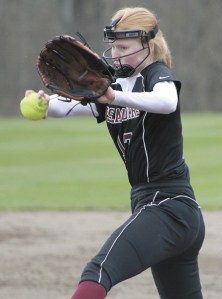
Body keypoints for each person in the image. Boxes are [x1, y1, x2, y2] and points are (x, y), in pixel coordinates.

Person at [26, 7, 205, 299]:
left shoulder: (155, 74)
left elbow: (168, 101)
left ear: (148, 46)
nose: (115, 53)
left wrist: (113, 97)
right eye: (113, 46)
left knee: (97, 273)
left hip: (168, 206)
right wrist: (45, 103)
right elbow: (70, 106)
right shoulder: (114, 84)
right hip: (164, 211)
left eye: (124, 47)